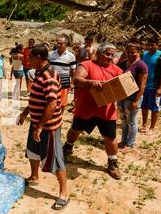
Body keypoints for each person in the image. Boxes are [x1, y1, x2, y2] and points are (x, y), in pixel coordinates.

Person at [17, 44, 68, 210]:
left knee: (55, 158)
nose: (27, 60)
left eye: (30, 57)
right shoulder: (38, 72)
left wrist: (39, 127)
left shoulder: (50, 76)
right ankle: (34, 176)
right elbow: (35, 97)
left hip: (48, 126)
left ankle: (63, 194)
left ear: (39, 58)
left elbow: (52, 104)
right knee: (33, 151)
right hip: (37, 122)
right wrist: (25, 113)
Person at [63, 43, 124, 180]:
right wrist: (91, 83)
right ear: (99, 53)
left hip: (106, 111)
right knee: (75, 131)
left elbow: (123, 87)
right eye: (107, 54)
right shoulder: (87, 65)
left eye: (112, 55)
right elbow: (77, 80)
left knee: (110, 138)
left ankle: (112, 162)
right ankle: (67, 147)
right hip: (86, 107)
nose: (110, 57)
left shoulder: (116, 70)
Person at [117, 41, 148, 149]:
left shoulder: (141, 66)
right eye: (128, 52)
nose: (130, 54)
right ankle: (123, 141)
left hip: (133, 98)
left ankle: (130, 143)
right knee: (124, 120)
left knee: (131, 121)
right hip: (122, 97)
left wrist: (136, 100)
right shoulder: (124, 62)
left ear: (139, 52)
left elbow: (142, 85)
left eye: (133, 52)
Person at [140, 37, 161, 134]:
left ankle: (152, 128)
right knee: (144, 106)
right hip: (144, 86)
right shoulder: (144, 54)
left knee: (155, 107)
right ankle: (144, 124)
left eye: (153, 45)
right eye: (148, 45)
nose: (150, 47)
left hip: (155, 86)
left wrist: (160, 88)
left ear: (157, 45)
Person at [49, 37, 76, 114]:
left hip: (64, 82)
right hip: (52, 81)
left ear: (66, 44)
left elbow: (73, 70)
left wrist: (72, 83)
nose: (59, 45)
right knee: (52, 99)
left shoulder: (71, 56)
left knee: (62, 102)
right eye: (58, 43)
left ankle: (60, 116)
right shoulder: (51, 54)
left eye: (61, 43)